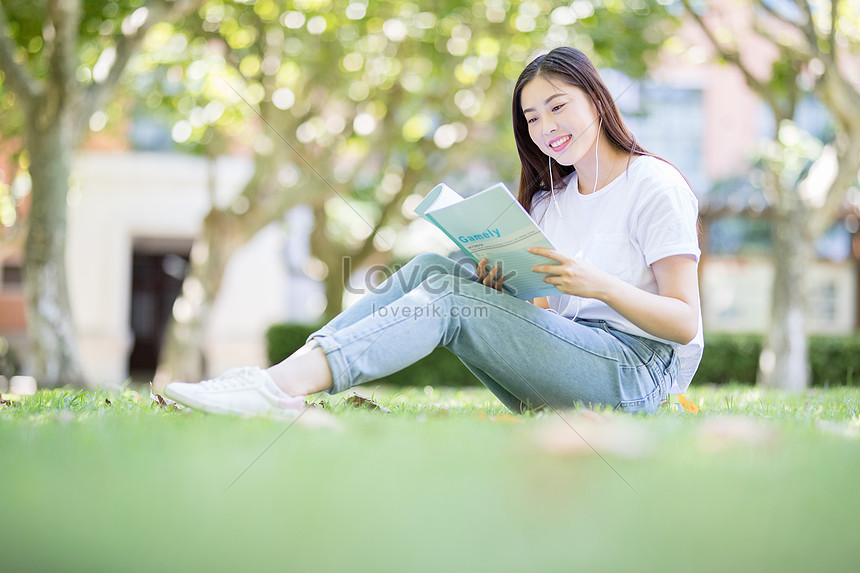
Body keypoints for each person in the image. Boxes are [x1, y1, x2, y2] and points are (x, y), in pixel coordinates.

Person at [164, 47, 703, 417]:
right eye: (532, 119)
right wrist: (507, 285)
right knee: (432, 269)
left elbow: (683, 323)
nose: (546, 129)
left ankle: (277, 389)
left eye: (558, 107)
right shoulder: (548, 201)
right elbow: (548, 317)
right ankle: (283, 376)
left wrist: (601, 285)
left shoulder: (654, 185)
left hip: (637, 376)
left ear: (597, 98)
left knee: (447, 296)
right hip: (574, 368)